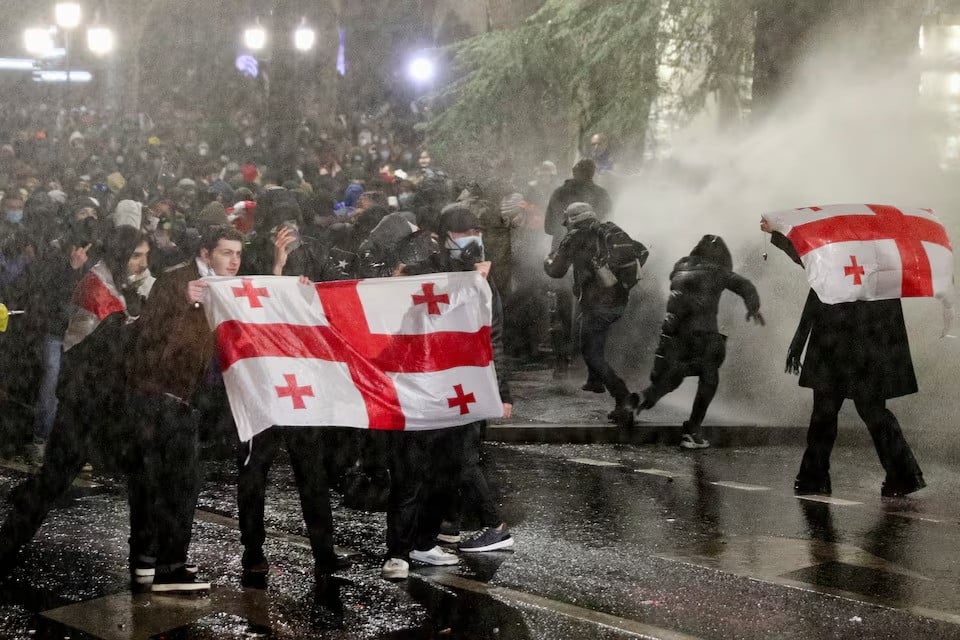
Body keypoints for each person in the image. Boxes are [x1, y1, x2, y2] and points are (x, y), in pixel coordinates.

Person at [0, 226, 153, 582]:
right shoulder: (97, 287)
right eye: (135, 255)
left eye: (145, 255)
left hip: (105, 403)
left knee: (142, 475)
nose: (142, 263)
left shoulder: (118, 284)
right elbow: (94, 347)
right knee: (56, 478)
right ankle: (10, 539)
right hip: (86, 403)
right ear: (119, 253)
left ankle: (145, 558)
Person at [762, 221, 925, 497]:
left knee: (828, 412)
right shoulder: (884, 264)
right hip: (865, 350)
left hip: (834, 347)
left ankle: (815, 478)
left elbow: (806, 260)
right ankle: (903, 475)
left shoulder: (836, 258)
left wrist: (777, 232)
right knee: (869, 412)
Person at [125, 225, 244, 593]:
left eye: (238, 254)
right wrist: (184, 299)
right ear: (206, 254)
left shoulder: (221, 287)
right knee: (178, 484)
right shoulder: (178, 281)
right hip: (163, 398)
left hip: (178, 398)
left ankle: (146, 558)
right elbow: (150, 333)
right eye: (226, 253)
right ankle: (170, 567)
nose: (235, 261)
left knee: (154, 481)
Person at [629, 235, 764, 447]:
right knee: (709, 378)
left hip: (676, 333)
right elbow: (745, 285)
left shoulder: (679, 269)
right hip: (703, 334)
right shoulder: (717, 271)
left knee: (678, 372)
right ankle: (692, 431)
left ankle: (642, 398)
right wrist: (753, 307)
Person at [544, 202, 636, 424]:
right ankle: (595, 380)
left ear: (573, 220)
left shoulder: (575, 237)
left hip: (597, 304)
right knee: (595, 336)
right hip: (619, 300)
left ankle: (623, 397)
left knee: (590, 352)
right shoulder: (610, 231)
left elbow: (556, 271)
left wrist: (547, 260)